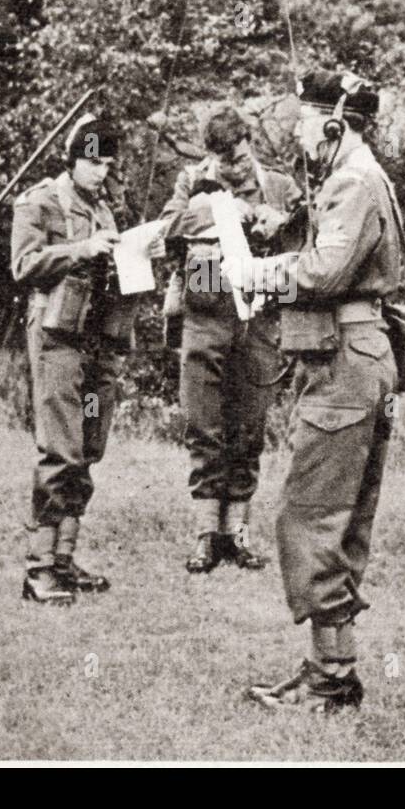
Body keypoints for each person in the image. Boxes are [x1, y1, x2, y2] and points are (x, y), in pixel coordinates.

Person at [224, 70, 401, 714]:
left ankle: (330, 678)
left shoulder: (353, 179)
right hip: (357, 360)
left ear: (335, 122)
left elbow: (325, 270)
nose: (297, 130)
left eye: (306, 119)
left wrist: (259, 272)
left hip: (345, 368)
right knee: (339, 518)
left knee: (310, 516)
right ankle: (335, 670)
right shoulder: (353, 177)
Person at [158, 106, 301, 574]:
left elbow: (308, 240)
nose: (233, 167)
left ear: (250, 145)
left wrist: (277, 222)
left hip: (259, 317)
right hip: (205, 311)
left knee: (249, 426)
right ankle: (205, 534)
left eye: (238, 156)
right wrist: (220, 212)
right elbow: (167, 230)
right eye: (223, 159)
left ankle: (237, 533)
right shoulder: (192, 180)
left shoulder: (278, 184)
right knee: (204, 425)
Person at [12, 116, 137, 605]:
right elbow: (22, 266)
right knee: (59, 448)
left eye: (106, 162)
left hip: (98, 339)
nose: (100, 171)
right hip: (56, 338)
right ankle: (39, 569)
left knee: (87, 446)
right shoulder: (40, 201)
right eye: (92, 161)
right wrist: (81, 249)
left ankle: (64, 559)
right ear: (72, 157)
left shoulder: (105, 207)